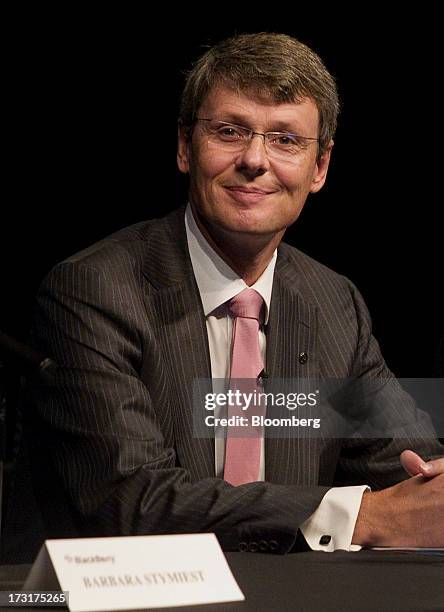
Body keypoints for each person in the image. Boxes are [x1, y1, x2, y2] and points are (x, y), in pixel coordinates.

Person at [8, 32, 443, 559]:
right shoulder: (95, 290)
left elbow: (410, 465)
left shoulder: (333, 303)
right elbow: (132, 504)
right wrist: (362, 516)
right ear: (185, 147)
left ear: (320, 167)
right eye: (230, 131)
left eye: (285, 139)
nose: (255, 160)